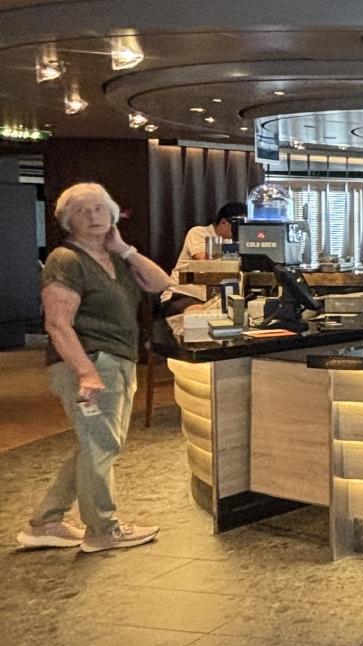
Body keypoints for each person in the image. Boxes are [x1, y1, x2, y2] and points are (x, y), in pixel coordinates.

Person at [18, 183, 171, 552]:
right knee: (102, 445)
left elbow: (161, 283)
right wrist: (87, 372)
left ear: (113, 215)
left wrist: (125, 249)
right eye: (81, 210)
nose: (92, 216)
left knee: (94, 446)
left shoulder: (114, 258)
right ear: (66, 220)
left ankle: (46, 522)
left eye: (100, 208)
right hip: (89, 363)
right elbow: (57, 323)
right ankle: (103, 529)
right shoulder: (66, 260)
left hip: (117, 360)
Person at [161, 201, 246, 316]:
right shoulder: (199, 232)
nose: (240, 230)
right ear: (223, 222)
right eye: (238, 225)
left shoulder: (233, 241)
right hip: (183, 294)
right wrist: (238, 249)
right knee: (200, 315)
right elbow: (202, 258)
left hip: (212, 298)